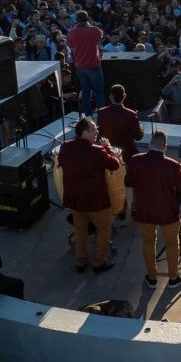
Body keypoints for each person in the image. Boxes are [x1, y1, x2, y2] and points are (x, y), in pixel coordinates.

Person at [124, 130, 181, 289]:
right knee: (172, 243)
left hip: (145, 211)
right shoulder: (172, 165)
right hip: (167, 212)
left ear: (149, 145)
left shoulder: (136, 160)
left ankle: (152, 277)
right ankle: (173, 278)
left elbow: (128, 182)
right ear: (165, 147)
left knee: (148, 241)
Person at [55, 117, 121, 273]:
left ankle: (81, 262)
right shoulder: (97, 151)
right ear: (84, 132)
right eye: (93, 130)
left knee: (80, 229)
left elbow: (61, 163)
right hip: (96, 201)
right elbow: (115, 165)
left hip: (75, 200)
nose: (96, 133)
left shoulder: (65, 147)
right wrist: (107, 147)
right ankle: (99, 262)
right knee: (104, 228)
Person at [97, 84, 142, 222]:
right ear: (124, 96)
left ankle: (121, 209)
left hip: (111, 154)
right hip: (129, 154)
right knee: (135, 182)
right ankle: (135, 209)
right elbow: (138, 136)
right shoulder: (131, 114)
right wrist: (140, 127)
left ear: (110, 97)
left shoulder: (102, 113)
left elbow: (100, 135)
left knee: (118, 183)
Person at [67, 11, 105, 114]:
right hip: (94, 65)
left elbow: (71, 46)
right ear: (88, 19)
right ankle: (102, 116)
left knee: (85, 92)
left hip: (80, 67)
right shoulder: (94, 30)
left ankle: (88, 116)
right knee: (99, 92)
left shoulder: (71, 32)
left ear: (76, 20)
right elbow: (101, 36)